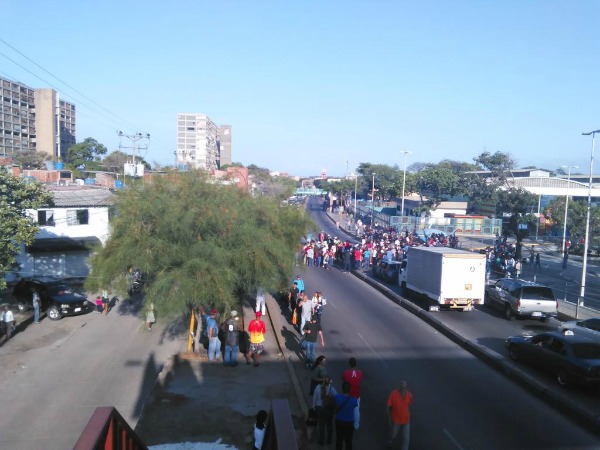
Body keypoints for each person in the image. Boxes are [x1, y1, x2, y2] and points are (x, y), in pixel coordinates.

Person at [386, 380, 413, 450]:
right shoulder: (393, 394)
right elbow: (388, 406)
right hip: (396, 420)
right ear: (399, 388)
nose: (404, 389)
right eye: (402, 388)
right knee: (393, 434)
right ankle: (390, 441)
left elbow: (408, 404)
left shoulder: (409, 395)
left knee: (406, 438)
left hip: (406, 420)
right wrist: (389, 417)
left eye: (405, 388)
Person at [334, 381, 359, 450]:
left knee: (339, 439)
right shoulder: (354, 400)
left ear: (342, 389)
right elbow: (356, 412)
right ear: (350, 389)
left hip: (339, 421)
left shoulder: (337, 397)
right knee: (348, 440)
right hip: (349, 422)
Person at [313, 377, 337, 446]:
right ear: (329, 383)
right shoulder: (332, 389)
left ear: (323, 381)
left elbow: (314, 398)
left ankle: (321, 440)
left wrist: (314, 407)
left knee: (321, 424)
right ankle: (329, 440)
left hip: (319, 409)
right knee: (329, 425)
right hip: (329, 409)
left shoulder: (318, 387)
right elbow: (336, 398)